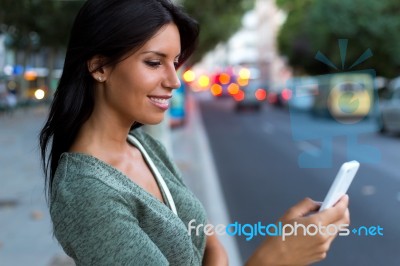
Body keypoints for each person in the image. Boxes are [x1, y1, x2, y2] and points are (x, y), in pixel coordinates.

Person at [39, 0, 350, 265]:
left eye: (175, 63)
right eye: (153, 62)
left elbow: (203, 234)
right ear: (99, 67)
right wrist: (276, 255)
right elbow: (204, 244)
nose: (174, 80)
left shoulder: (143, 145)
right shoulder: (84, 194)